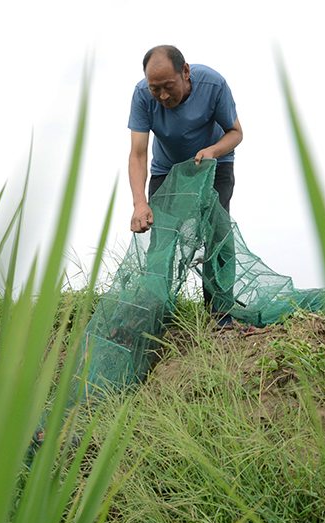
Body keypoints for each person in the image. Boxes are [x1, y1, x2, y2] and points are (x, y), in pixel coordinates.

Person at [127, 45, 243, 323]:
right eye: (156, 88)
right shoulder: (143, 96)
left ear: (185, 72)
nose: (163, 95)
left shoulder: (213, 85)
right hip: (167, 170)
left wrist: (213, 151)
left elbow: (236, 132)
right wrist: (140, 203)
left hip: (214, 164)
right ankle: (155, 315)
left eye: (168, 86)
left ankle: (220, 313)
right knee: (162, 238)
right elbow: (138, 153)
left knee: (217, 232)